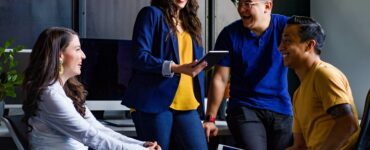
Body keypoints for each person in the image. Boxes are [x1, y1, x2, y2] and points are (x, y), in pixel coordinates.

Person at [22, 27, 161, 150]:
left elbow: (98, 129)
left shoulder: (66, 91)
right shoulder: (49, 94)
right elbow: (89, 136)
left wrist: (140, 145)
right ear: (59, 55)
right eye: (77, 49)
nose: (84, 55)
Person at [203, 0, 293, 149]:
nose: (241, 9)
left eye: (248, 4)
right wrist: (210, 119)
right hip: (244, 107)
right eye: (240, 3)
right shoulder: (229, 34)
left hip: (281, 108)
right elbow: (220, 78)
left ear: (267, 6)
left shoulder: (286, 27)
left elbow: (309, 46)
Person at [121, 0, 208, 150]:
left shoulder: (191, 21)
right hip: (154, 101)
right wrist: (175, 67)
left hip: (187, 102)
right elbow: (139, 56)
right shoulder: (151, 14)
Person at [279, 16, 360, 150]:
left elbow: (348, 124)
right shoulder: (298, 94)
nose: (280, 47)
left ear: (309, 45)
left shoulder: (324, 75)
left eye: (287, 41)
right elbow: (300, 146)